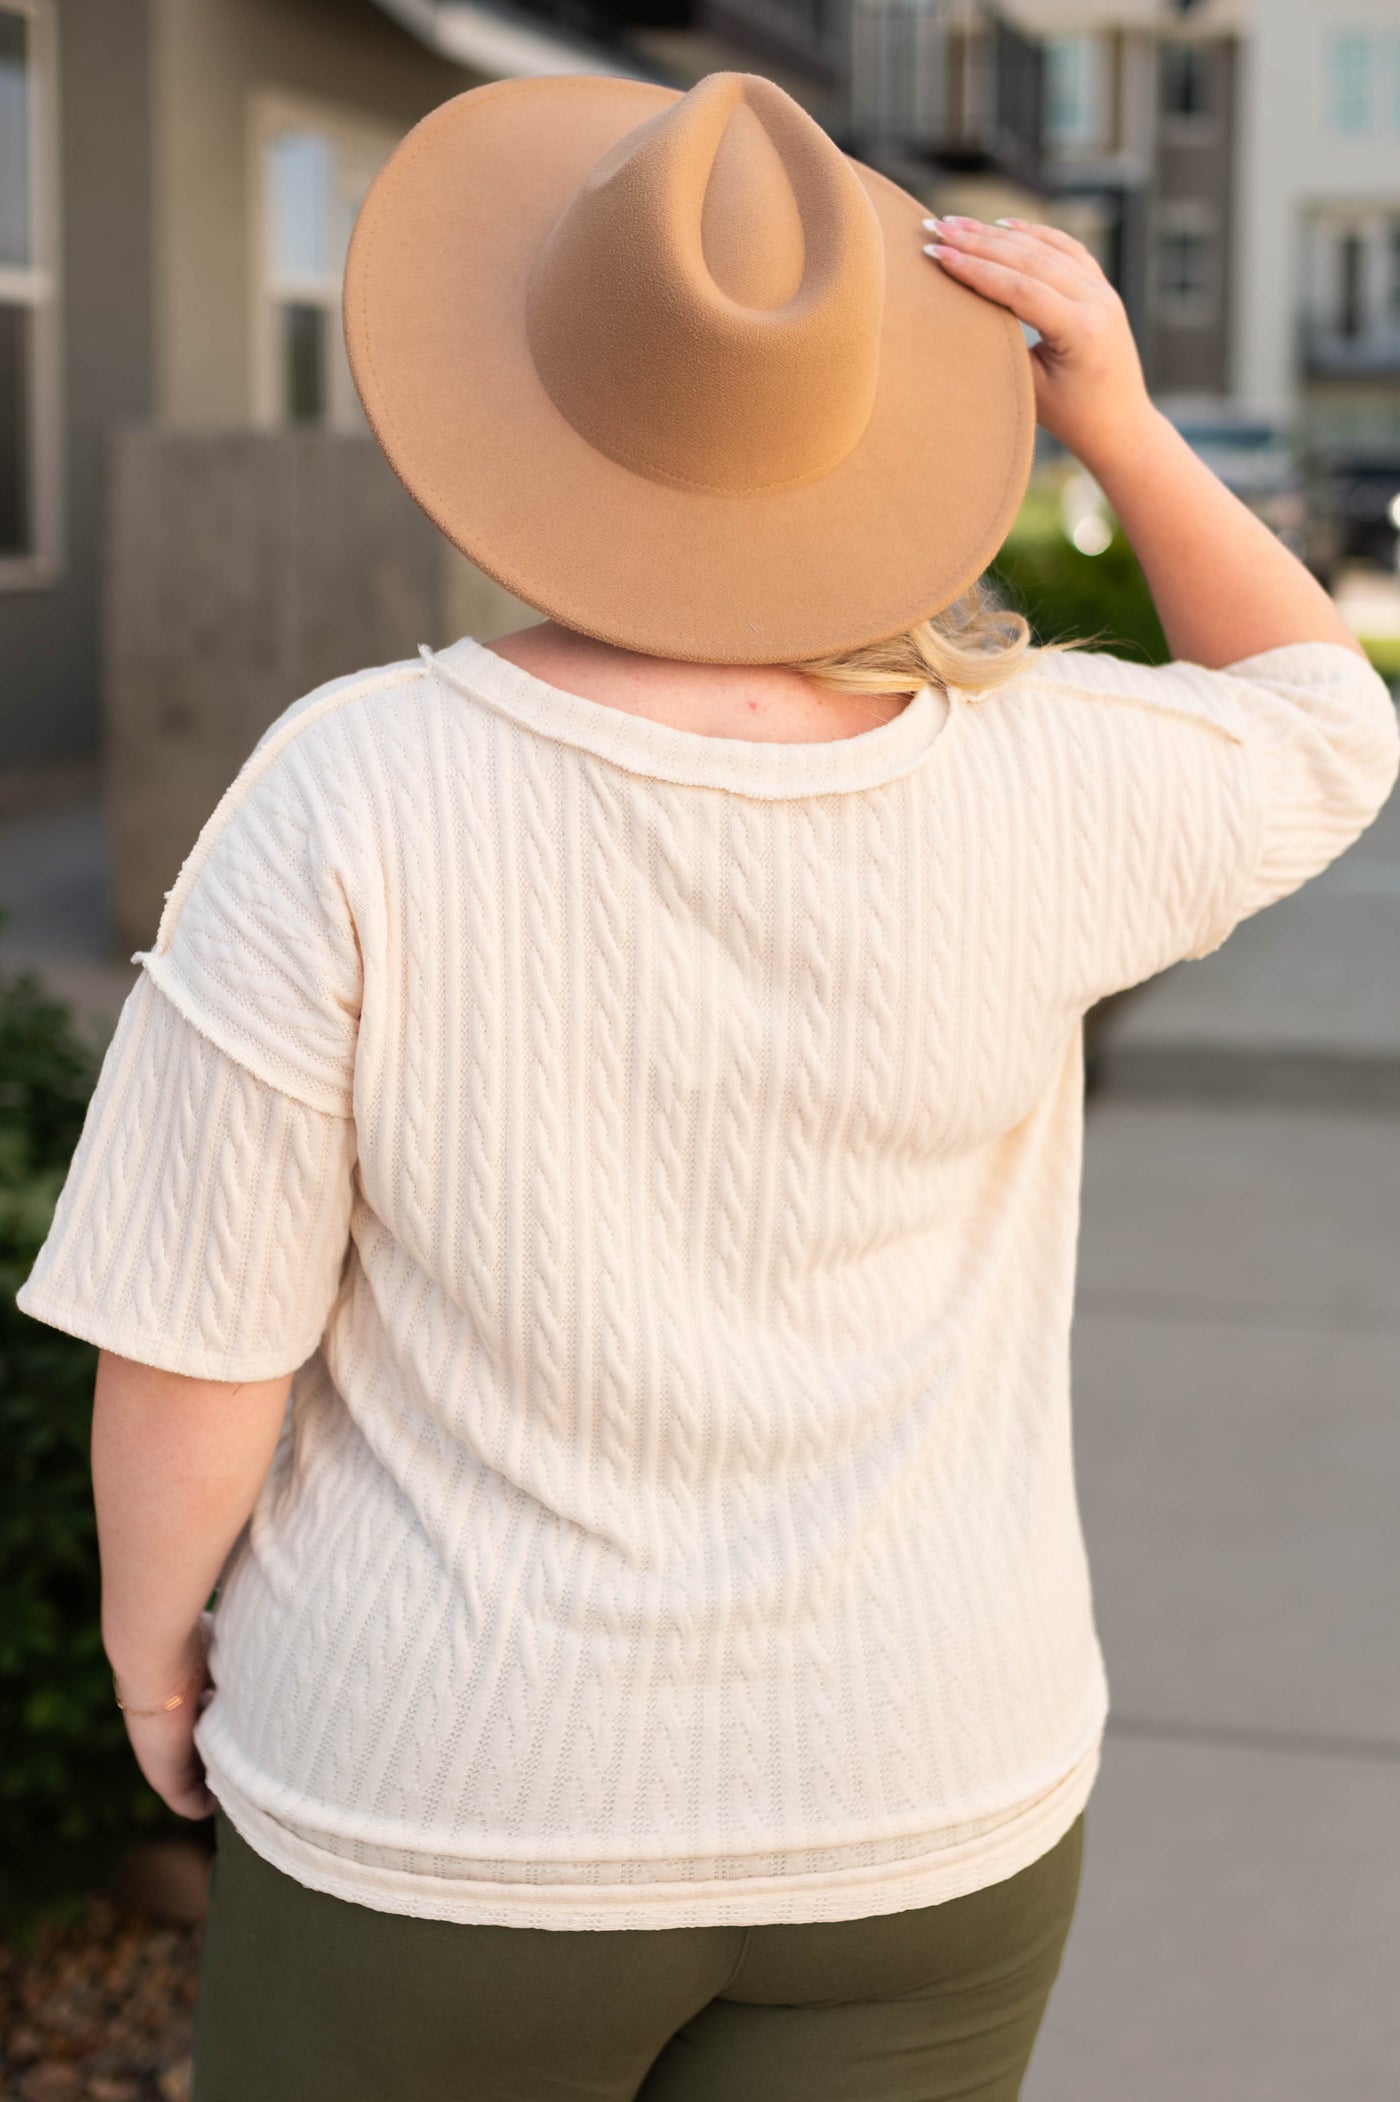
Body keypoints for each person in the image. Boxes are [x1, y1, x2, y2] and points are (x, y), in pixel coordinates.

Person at [19, 70, 1397, 2102]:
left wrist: (154, 1650)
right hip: (929, 1787)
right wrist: (1106, 406)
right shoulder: (1042, 777)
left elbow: (196, 1332)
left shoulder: (356, 783)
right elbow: (1316, 719)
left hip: (448, 1802)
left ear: (521, 406)